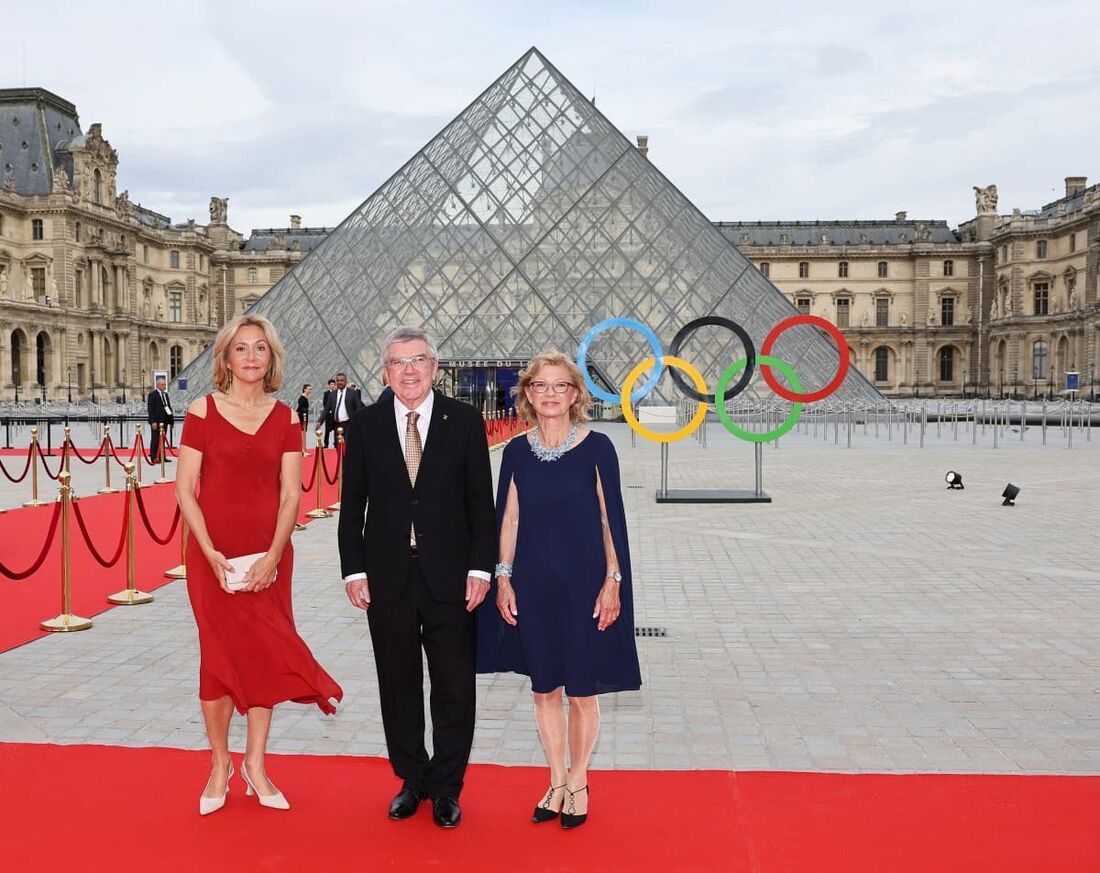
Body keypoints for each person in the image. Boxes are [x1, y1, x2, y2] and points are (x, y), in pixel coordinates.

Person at [175, 314, 342, 817]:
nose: (251, 357)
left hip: (270, 555)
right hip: (213, 555)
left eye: (260, 349)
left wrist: (273, 555)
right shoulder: (201, 411)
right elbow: (185, 488)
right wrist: (206, 552)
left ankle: (256, 763)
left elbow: (292, 492)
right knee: (218, 657)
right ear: (225, 358)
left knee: (265, 654)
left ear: (272, 359)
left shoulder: (287, 417)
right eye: (241, 349)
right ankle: (219, 765)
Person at [338, 326, 495, 829]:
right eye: (398, 362)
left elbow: (480, 506)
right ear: (384, 371)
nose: (409, 370)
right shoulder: (364, 425)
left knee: (454, 685)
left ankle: (447, 786)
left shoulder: (466, 421)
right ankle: (412, 778)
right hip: (387, 576)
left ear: (434, 367)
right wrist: (353, 569)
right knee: (397, 682)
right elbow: (352, 506)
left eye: (418, 360)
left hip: (451, 576)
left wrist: (480, 568)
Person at [477, 350, 641, 830]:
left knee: (582, 691)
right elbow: (507, 517)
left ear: (575, 395)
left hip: (585, 584)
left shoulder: (598, 448)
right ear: (527, 394)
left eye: (560, 386)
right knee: (544, 686)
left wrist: (613, 582)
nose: (550, 394)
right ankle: (554, 780)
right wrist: (502, 577)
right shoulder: (515, 451)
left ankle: (580, 778)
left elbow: (611, 518)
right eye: (540, 386)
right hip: (532, 583)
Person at [324, 373, 363, 446]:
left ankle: (346, 457)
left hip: (348, 423)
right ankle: (340, 457)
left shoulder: (353, 393)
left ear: (346, 381)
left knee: (347, 444)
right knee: (337, 445)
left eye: (342, 380)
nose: (340, 382)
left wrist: (359, 421)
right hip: (336, 424)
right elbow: (326, 409)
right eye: (338, 380)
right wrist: (320, 421)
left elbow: (358, 408)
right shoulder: (332, 394)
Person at [147, 375, 174, 463]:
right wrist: (153, 421)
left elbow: (168, 407)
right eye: (162, 385)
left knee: (162, 440)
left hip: (164, 420)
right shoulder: (153, 395)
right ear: (158, 385)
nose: (164, 386)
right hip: (156, 421)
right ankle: (154, 457)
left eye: (165, 385)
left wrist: (171, 420)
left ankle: (162, 457)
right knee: (155, 440)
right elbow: (150, 409)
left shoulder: (165, 394)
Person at [320, 378, 337, 447]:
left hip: (335, 414)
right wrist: (329, 410)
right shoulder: (326, 393)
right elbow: (324, 403)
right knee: (327, 430)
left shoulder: (337, 392)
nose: (332, 386)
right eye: (331, 384)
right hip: (328, 414)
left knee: (336, 429)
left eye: (333, 384)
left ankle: (336, 443)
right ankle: (326, 444)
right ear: (329, 385)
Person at [296, 384, 312, 454]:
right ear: (304, 389)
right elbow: (299, 408)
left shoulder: (305, 397)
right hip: (303, 417)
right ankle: (302, 449)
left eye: (311, 389)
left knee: (304, 432)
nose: (310, 390)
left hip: (305, 415)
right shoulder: (302, 398)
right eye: (309, 389)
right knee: (302, 432)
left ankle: (303, 448)